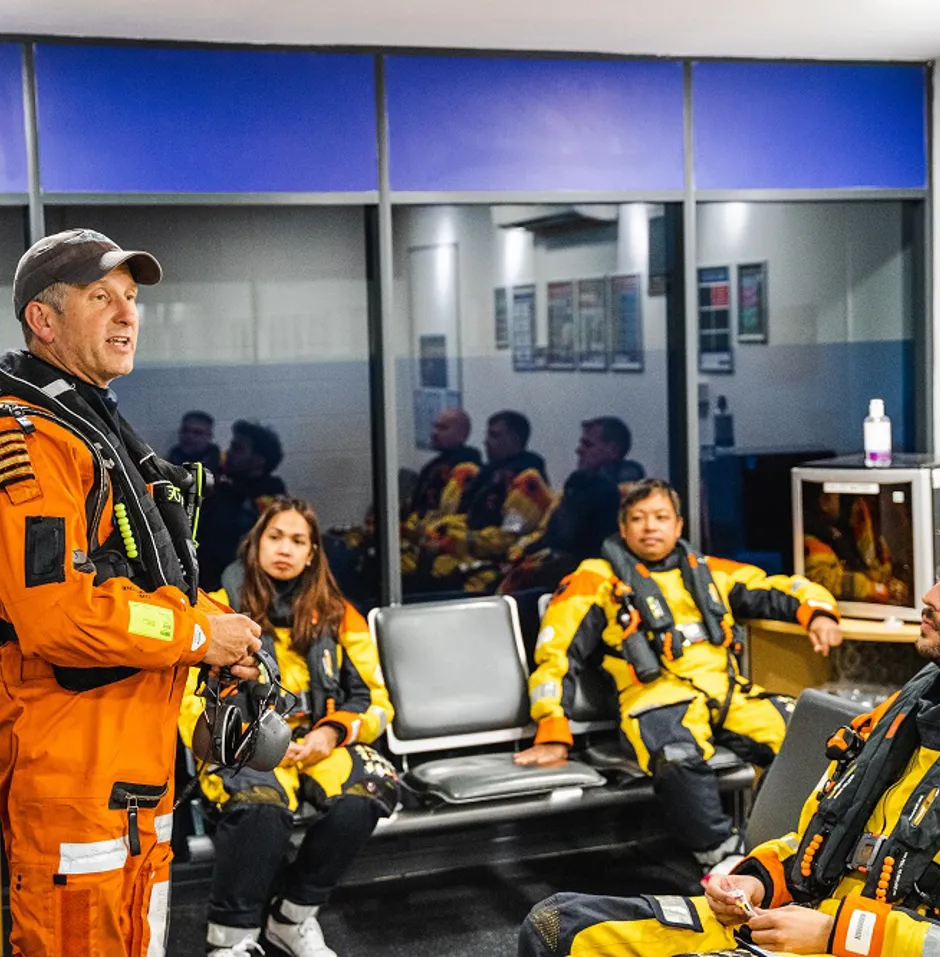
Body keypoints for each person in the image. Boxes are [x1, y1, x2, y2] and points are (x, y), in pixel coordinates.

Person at [0, 228, 263, 956]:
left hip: (134, 771)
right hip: (68, 776)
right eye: (99, 297)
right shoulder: (29, 441)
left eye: (131, 299)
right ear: (43, 321)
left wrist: (221, 627)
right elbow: (58, 615)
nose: (126, 314)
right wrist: (203, 637)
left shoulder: (93, 423)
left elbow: (144, 578)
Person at [519, 580, 940, 957]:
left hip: (857, 942)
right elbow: (820, 839)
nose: (929, 598)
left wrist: (835, 934)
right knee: (558, 927)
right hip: (795, 916)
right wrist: (758, 880)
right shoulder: (905, 713)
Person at [514, 478, 842, 869]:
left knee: (810, 740)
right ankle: (723, 859)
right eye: (637, 518)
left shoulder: (711, 572)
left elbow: (781, 589)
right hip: (655, 699)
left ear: (679, 526)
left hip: (729, 695)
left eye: (660, 517)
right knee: (678, 754)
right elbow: (556, 656)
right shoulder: (596, 580)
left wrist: (820, 614)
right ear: (622, 528)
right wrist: (553, 730)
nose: (650, 527)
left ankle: (781, 846)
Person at [179, 497, 398, 957]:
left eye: (298, 541)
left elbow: (376, 702)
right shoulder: (215, 610)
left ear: (313, 552)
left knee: (372, 787)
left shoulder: (339, 615)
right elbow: (186, 698)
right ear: (255, 544)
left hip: (317, 743)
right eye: (275, 537)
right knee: (261, 804)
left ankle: (292, 917)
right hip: (244, 743)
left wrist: (330, 735)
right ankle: (231, 940)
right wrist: (234, 742)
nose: (285, 549)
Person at [408, 410, 552, 594]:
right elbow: (466, 518)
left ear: (514, 440)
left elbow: (508, 538)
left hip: (492, 567)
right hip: (467, 553)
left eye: (494, 435)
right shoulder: (489, 474)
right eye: (487, 434)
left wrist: (455, 542)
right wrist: (436, 532)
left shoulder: (527, 484)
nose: (486, 441)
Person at [499, 416, 645, 594]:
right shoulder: (578, 486)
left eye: (587, 445)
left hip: (584, 583)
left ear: (613, 450)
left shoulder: (620, 494)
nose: (578, 450)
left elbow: (565, 538)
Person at [198, 419, 288, 591]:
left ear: (258, 461)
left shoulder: (270, 501)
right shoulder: (221, 487)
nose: (228, 453)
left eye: (237, 449)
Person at [804, 487, 910, 605]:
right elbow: (822, 580)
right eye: (839, 497)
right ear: (824, 502)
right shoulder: (813, 537)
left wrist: (890, 584)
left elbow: (872, 566)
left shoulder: (847, 533)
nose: (859, 507)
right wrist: (871, 589)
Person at [167, 409, 222, 473]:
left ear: (209, 436)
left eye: (197, 432)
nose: (189, 436)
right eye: (185, 430)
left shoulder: (225, 465)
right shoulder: (164, 466)